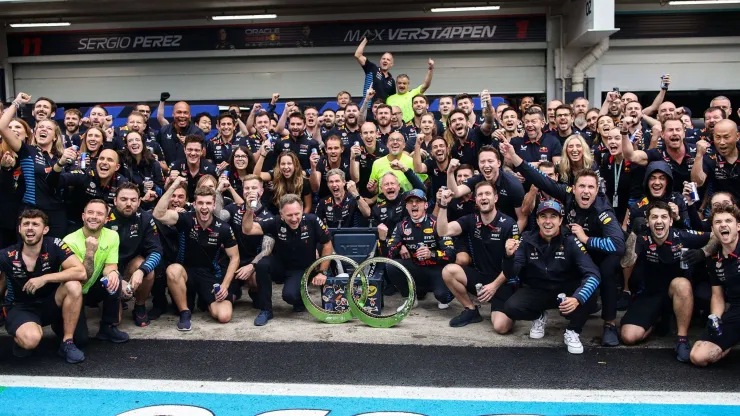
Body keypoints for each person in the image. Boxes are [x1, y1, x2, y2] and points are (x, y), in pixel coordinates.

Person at [500, 140, 625, 346]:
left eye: (590, 188)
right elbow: (542, 180)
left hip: (598, 252)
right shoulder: (569, 195)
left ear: (597, 190)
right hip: (572, 249)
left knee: (608, 268)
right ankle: (543, 308)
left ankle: (609, 323)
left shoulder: (603, 210)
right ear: (574, 188)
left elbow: (618, 245)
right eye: (581, 186)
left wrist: (587, 239)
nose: (585, 192)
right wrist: (515, 159)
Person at [501, 200, 602, 354]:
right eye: (543, 216)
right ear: (537, 220)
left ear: (560, 220)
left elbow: (593, 274)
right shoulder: (527, 240)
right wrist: (508, 257)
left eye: (553, 216)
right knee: (511, 307)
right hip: (538, 290)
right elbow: (512, 274)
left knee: (590, 296)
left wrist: (576, 299)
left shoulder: (571, 240)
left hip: (566, 292)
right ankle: (539, 316)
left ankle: (573, 331)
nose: (548, 221)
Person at [620, 201, 710, 362]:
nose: (659, 221)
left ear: (671, 220)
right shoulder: (642, 238)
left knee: (681, 283)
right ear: (648, 221)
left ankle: (682, 340)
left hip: (676, 293)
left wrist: (702, 253)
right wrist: (633, 235)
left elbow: (715, 236)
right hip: (649, 294)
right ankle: (656, 322)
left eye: (663, 217)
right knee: (628, 337)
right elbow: (626, 262)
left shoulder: (681, 236)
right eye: (654, 217)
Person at [0, 209, 87, 363]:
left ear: (45, 229)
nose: (30, 228)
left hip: (50, 303)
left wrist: (45, 278)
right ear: (20, 229)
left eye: (35, 224)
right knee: (31, 340)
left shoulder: (55, 244)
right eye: (26, 224)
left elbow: (81, 272)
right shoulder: (7, 255)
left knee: (74, 285)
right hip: (21, 307)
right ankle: (23, 336)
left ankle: (67, 343)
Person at [154, 178, 240, 331]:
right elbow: (158, 214)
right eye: (200, 203)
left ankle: (205, 300)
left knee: (224, 316)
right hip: (186, 272)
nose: (204, 207)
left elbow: (235, 258)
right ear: (194, 204)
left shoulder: (223, 228)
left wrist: (225, 286)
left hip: (210, 274)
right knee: (172, 270)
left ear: (214, 205)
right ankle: (185, 313)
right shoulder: (186, 219)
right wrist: (174, 185)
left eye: (208, 203)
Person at [243, 193, 333, 326]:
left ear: (302, 210)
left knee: (290, 296)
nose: (294, 218)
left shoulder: (312, 220)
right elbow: (247, 229)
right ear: (281, 214)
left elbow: (327, 244)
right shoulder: (276, 221)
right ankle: (266, 310)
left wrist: (322, 271)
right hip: (281, 266)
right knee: (262, 264)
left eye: (297, 214)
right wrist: (249, 209)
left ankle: (299, 299)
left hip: (301, 270)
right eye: (289, 215)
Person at [437, 182, 520, 327]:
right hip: (480, 279)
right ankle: (471, 310)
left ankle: (506, 308)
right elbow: (443, 231)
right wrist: (443, 205)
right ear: (475, 200)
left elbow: (515, 264)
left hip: (503, 281)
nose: (483, 197)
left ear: (495, 198)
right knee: (448, 271)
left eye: (487, 194)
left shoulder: (508, 223)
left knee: (501, 327)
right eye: (480, 194)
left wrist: (494, 286)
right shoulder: (471, 220)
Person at [0, 93, 67, 237]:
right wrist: (16, 103)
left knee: (55, 255)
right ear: (35, 133)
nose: (43, 129)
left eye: (48, 128)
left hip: (57, 213)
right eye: (40, 127)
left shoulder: (62, 157)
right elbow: (2, 126)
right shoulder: (26, 150)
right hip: (31, 212)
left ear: (55, 136)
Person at [64, 199, 129, 344]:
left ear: (106, 219)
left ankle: (107, 327)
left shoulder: (112, 236)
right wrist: (90, 253)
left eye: (99, 214)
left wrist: (112, 273)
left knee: (115, 278)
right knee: (80, 340)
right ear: (83, 216)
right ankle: (61, 325)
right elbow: (81, 278)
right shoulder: (69, 241)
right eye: (90, 212)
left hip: (93, 286)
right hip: (74, 292)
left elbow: (111, 265)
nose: (94, 216)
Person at [380, 189, 456, 311]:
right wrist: (385, 241)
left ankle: (441, 294)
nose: (414, 204)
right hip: (415, 268)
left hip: (436, 269)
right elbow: (388, 254)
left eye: (418, 201)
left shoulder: (437, 223)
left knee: (443, 298)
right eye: (410, 202)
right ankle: (411, 298)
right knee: (391, 266)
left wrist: (431, 254)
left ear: (426, 205)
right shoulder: (401, 226)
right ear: (406, 206)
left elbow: (451, 254)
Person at [105, 183, 163, 327]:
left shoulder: (145, 218)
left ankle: (139, 306)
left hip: (131, 266)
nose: (128, 204)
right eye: (124, 199)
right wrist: (117, 279)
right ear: (115, 201)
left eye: (133, 200)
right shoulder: (105, 218)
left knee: (147, 268)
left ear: (139, 202)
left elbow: (157, 251)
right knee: (115, 322)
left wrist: (141, 271)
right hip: (108, 269)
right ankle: (115, 299)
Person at [690, 205, 740, 367]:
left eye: (728, 221)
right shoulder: (713, 258)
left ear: (738, 226)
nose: (723, 225)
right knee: (698, 356)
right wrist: (715, 318)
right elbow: (717, 295)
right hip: (736, 311)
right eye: (718, 222)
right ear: (713, 229)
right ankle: (729, 342)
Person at [222, 175, 275, 307]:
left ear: (261, 191)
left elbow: (266, 250)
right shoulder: (233, 209)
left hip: (252, 261)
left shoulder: (268, 217)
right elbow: (216, 216)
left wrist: (252, 266)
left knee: (256, 278)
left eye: (254, 188)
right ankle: (236, 291)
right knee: (226, 300)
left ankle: (254, 291)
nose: (250, 191)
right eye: (247, 188)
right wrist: (218, 191)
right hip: (232, 261)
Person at [447, 146, 527, 230]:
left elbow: (522, 219)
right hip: (484, 229)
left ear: (499, 163)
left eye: (490, 161)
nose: (486, 165)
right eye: (482, 162)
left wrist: (512, 238)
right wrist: (450, 173)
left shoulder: (513, 184)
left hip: (508, 230)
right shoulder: (477, 179)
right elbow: (455, 193)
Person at [50, 148, 128, 232]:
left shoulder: (122, 183)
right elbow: (53, 182)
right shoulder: (86, 175)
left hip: (106, 227)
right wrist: (60, 163)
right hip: (78, 224)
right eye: (101, 158)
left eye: (110, 160)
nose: (104, 162)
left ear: (117, 167)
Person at [623, 116, 696, 193]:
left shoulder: (697, 151)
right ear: (662, 134)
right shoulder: (657, 153)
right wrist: (624, 131)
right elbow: (631, 157)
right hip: (665, 203)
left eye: (678, 130)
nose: (674, 133)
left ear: (684, 133)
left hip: (694, 202)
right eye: (670, 130)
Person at [693, 119, 740, 203]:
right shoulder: (710, 156)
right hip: (721, 207)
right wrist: (699, 155)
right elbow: (697, 182)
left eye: (726, 137)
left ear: (737, 136)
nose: (721, 142)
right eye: (718, 137)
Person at [119, 131, 164, 209]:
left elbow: (161, 192)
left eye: (137, 140)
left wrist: (153, 186)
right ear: (126, 146)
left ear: (143, 143)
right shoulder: (121, 161)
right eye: (130, 141)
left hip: (150, 205)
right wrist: (141, 186)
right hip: (127, 204)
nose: (134, 143)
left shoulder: (154, 163)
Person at [166, 135, 218, 201]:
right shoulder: (175, 166)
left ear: (202, 151)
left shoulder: (211, 169)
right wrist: (170, 180)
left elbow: (217, 193)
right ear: (184, 150)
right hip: (180, 205)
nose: (193, 153)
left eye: (197, 150)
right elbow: (165, 190)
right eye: (190, 149)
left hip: (203, 205)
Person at [157, 101, 205, 165]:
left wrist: (189, 143)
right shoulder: (164, 130)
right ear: (173, 114)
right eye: (179, 112)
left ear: (190, 115)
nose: (182, 115)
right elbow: (156, 151)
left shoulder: (197, 132)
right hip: (167, 172)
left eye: (185, 113)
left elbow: (204, 154)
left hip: (188, 172)